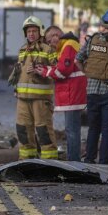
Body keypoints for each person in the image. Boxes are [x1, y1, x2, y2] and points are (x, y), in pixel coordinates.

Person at [75, 9, 108, 164]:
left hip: (91, 92)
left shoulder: (92, 40)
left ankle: (89, 159)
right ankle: (104, 161)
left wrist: (88, 73)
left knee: (93, 128)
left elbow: (77, 60)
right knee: (107, 129)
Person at [36, 26, 87, 162]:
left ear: (56, 35)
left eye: (49, 40)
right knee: (72, 130)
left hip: (72, 94)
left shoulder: (68, 46)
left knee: (72, 131)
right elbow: (61, 68)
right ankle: (73, 159)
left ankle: (73, 162)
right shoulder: (66, 46)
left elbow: (63, 71)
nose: (50, 44)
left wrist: (46, 72)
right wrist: (48, 68)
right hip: (72, 94)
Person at [14, 16, 57, 160]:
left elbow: (56, 71)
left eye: (34, 31)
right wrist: (16, 89)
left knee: (43, 131)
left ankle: (50, 163)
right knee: (23, 130)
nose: (31, 34)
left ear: (40, 32)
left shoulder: (48, 50)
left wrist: (42, 70)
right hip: (22, 99)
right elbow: (18, 72)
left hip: (41, 99)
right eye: (29, 31)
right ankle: (26, 161)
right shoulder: (22, 50)